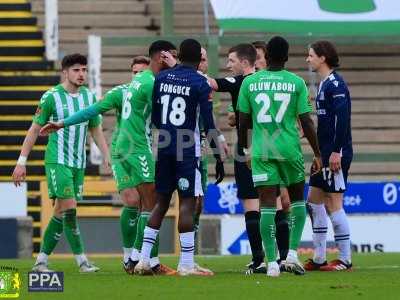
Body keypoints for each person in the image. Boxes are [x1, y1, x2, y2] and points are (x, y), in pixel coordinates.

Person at [40, 42, 178, 275]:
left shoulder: (136, 87)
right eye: (134, 72)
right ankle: (137, 257)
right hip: (134, 148)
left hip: (121, 148)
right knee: (145, 202)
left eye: (139, 72)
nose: (136, 76)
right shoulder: (150, 84)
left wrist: (63, 122)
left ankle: (139, 259)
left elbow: (93, 112)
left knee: (139, 202)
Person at [134, 39, 225, 276]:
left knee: (161, 203)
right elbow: (209, 123)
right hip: (187, 150)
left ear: (180, 55)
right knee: (187, 203)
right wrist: (219, 156)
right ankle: (185, 264)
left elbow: (155, 115)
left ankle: (144, 259)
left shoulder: (161, 78)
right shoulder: (200, 83)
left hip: (163, 146)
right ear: (198, 59)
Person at [13, 53, 110, 273]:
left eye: (84, 70)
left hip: (78, 164)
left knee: (59, 212)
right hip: (58, 161)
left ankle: (41, 261)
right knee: (70, 209)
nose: (81, 74)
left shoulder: (89, 97)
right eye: (76, 70)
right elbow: (35, 129)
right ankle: (82, 260)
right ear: (64, 72)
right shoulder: (51, 97)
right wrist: (21, 162)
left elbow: (95, 129)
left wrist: (106, 155)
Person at [237, 36, 322, 277]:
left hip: (263, 151)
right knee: (295, 202)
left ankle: (272, 263)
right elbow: (306, 121)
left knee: (266, 206)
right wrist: (317, 153)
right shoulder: (296, 82)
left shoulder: (250, 83)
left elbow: (243, 121)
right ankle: (292, 255)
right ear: (286, 57)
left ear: (265, 56)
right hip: (289, 150)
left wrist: (244, 149)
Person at [304, 40, 353, 271]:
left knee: (334, 202)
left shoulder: (336, 84)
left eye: (311, 55)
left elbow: (342, 120)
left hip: (335, 153)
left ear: (323, 58)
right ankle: (320, 256)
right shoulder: (323, 84)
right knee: (313, 202)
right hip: (323, 153)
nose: (308, 59)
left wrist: (335, 151)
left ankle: (345, 259)